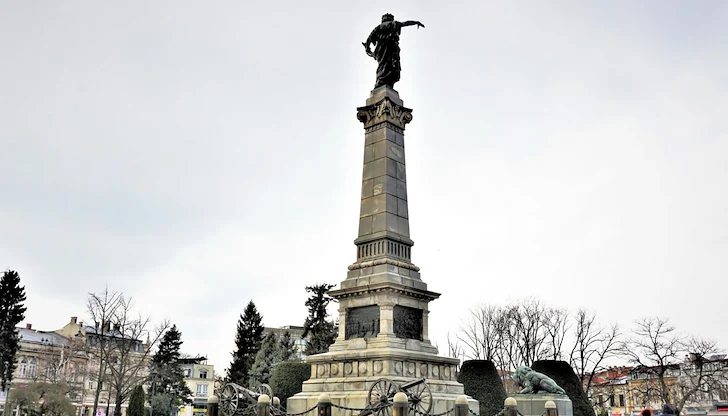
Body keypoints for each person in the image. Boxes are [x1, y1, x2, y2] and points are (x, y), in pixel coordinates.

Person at [362, 13, 425, 89]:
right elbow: (406, 23)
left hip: (381, 50)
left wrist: (367, 48)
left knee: (383, 65)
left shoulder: (378, 28)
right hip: (391, 49)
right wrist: (416, 22)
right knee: (391, 65)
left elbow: (369, 40)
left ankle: (381, 81)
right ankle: (385, 82)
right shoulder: (394, 23)